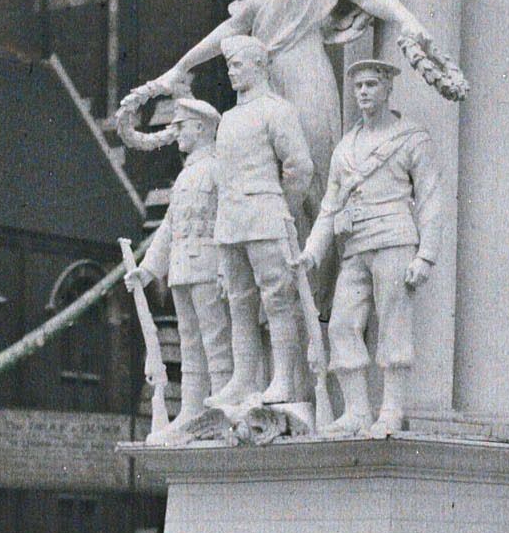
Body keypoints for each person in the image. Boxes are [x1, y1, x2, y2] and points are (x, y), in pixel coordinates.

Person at [127, 0, 461, 215]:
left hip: (305, 72)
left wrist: (409, 20)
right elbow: (235, 26)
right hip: (262, 80)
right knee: (269, 176)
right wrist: (182, 66)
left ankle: (320, 265)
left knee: (314, 170)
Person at [300, 59, 444, 438]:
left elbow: (430, 198)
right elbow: (330, 206)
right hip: (355, 246)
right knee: (343, 325)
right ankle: (357, 412)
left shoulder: (412, 138)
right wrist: (313, 251)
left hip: (395, 238)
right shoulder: (346, 147)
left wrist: (426, 254)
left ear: (387, 89)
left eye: (371, 85)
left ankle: (391, 410)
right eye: (358, 85)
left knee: (393, 325)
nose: (363, 92)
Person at [209, 34, 314, 411]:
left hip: (266, 218)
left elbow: (300, 167)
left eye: (238, 64)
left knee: (278, 300)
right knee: (238, 303)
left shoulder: (276, 110)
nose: (232, 72)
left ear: (259, 65)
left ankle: (284, 378)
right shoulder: (229, 119)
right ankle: (242, 380)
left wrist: (279, 208)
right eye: (229, 66)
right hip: (232, 222)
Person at [124, 98, 231, 431]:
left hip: (209, 265)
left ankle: (224, 406)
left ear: (201, 128)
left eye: (182, 125)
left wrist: (226, 268)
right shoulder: (186, 175)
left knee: (215, 339)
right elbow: (170, 227)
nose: (176, 132)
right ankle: (192, 409)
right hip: (182, 269)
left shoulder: (218, 169)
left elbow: (229, 221)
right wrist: (149, 269)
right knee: (189, 340)